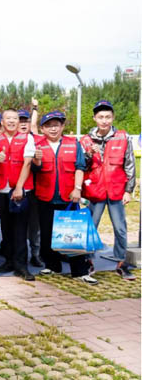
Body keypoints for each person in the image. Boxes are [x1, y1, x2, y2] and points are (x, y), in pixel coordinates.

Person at [32, 111, 96, 284]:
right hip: (45, 196)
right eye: (49, 126)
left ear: (62, 127)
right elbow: (34, 170)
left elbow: (80, 167)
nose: (53, 129)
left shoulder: (73, 144)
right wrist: (37, 161)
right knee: (47, 233)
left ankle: (80, 270)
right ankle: (52, 266)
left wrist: (77, 189)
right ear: (42, 129)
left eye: (56, 125)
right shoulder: (37, 145)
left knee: (73, 234)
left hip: (69, 197)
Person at [80, 100, 137, 280]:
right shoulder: (86, 140)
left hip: (116, 190)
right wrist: (89, 154)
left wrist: (128, 190)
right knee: (91, 227)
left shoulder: (123, 137)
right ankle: (88, 261)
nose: (104, 120)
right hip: (95, 191)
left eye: (108, 117)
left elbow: (130, 164)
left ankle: (121, 262)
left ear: (113, 118)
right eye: (101, 117)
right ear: (94, 118)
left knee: (120, 228)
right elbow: (81, 166)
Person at [0, 109, 35, 281]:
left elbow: (27, 163)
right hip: (1, 190)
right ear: (2, 121)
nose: (12, 121)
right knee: (6, 229)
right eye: (8, 118)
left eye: (15, 118)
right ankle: (9, 261)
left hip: (21, 189)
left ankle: (21, 265)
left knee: (20, 229)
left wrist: (19, 187)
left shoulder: (27, 138)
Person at [18, 108, 42, 268]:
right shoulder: (10, 140)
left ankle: (35, 254)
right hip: (15, 188)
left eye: (25, 121)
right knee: (18, 226)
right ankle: (17, 256)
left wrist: (37, 160)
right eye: (20, 121)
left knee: (35, 226)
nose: (23, 124)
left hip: (35, 189)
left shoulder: (39, 140)